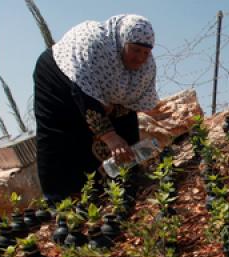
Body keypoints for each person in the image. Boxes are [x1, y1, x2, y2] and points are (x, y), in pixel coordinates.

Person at [33, 14, 167, 202]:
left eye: (146, 53)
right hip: (58, 76)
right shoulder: (94, 47)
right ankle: (61, 198)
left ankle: (124, 179)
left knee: (123, 130)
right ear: (122, 42)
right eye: (135, 50)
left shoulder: (146, 67)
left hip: (90, 90)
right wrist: (110, 136)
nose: (140, 59)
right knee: (61, 134)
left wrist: (118, 127)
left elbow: (131, 106)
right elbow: (83, 94)